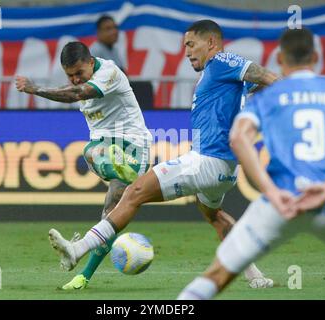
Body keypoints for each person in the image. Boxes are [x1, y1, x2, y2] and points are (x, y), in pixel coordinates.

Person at [48, 20, 280, 289]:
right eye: (184, 46)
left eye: (192, 44)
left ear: (212, 43)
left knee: (133, 192)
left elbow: (261, 74)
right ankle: (256, 277)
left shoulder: (222, 62)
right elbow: (255, 85)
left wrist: (291, 93)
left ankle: (78, 249)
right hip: (225, 170)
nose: (187, 51)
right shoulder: (222, 77)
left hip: (205, 161)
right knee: (214, 216)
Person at [177, 27, 325, 300]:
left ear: (279, 59)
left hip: (280, 203)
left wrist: (269, 190)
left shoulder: (270, 99)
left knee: (217, 275)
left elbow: (239, 139)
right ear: (316, 57)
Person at [15, 41, 152, 290]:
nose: (76, 79)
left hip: (133, 146)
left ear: (91, 62)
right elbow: (75, 90)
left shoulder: (108, 73)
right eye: (70, 75)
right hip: (105, 148)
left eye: (80, 73)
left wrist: (35, 89)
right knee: (94, 163)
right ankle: (120, 170)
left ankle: (83, 276)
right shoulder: (81, 80)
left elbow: (76, 94)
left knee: (107, 205)